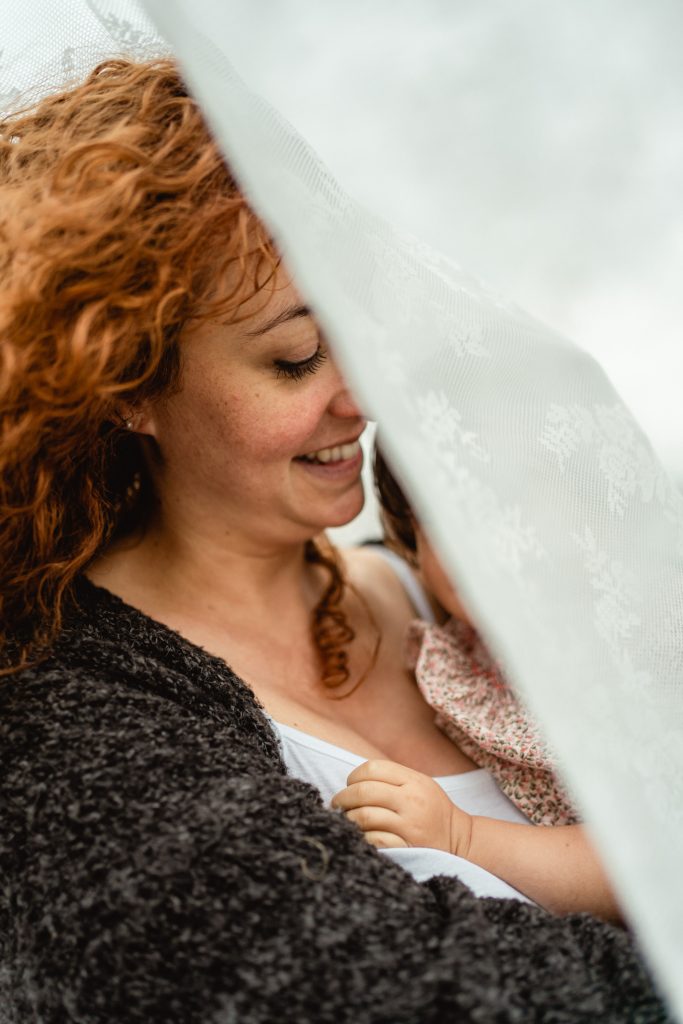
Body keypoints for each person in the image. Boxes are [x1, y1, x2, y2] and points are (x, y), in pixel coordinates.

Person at [0, 56, 669, 1022]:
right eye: (297, 357)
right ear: (126, 386)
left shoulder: (453, 587)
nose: (362, 395)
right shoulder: (74, 734)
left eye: (356, 333)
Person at [331, 449, 620, 921]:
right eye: (445, 516)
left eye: (515, 512)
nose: (482, 546)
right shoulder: (460, 649)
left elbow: (647, 863)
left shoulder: (622, 664)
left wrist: (461, 836)